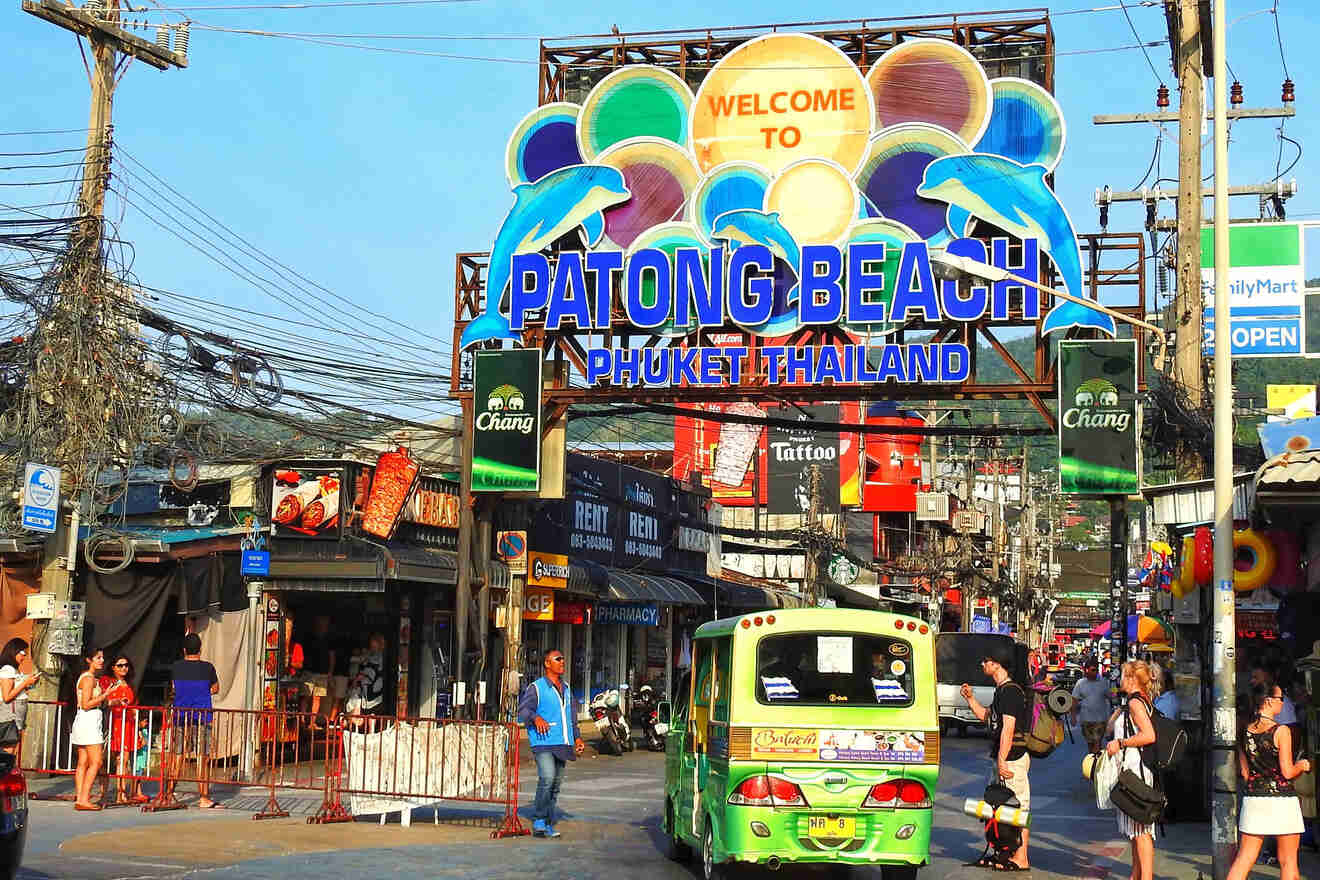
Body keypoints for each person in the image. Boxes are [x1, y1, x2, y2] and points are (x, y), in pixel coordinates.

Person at [1225, 682, 1313, 880]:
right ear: (1268, 701)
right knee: (1288, 860)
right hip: (1282, 799)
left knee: (1244, 858)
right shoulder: (1281, 731)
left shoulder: (1244, 731)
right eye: (1281, 699)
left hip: (1254, 799)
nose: (1283, 703)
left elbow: (1245, 773)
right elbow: (1288, 772)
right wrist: (1303, 765)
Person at [961, 653, 1031, 870]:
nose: (982, 664)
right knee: (1002, 807)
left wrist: (1002, 760)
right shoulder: (1000, 690)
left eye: (985, 661)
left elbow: (1008, 729)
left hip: (1012, 757)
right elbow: (988, 718)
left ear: (997, 664)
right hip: (1002, 756)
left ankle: (1021, 857)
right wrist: (970, 699)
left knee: (1018, 807)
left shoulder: (1010, 692)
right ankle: (1006, 852)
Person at [516, 648, 584, 838]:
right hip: (543, 742)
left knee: (555, 784)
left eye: (563, 659)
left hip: (562, 742)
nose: (562, 662)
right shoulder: (536, 687)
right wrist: (536, 718)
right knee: (547, 778)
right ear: (547, 664)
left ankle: (547, 821)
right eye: (558, 659)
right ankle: (538, 819)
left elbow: (571, 717)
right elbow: (523, 711)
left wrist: (577, 737)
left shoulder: (567, 688)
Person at [1105, 661, 1160, 880]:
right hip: (1132, 768)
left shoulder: (1137, 704)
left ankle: (1145, 877)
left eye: (1123, 675)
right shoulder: (1133, 702)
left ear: (1131, 678)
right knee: (1136, 831)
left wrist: (1121, 743)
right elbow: (1109, 726)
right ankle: (1135, 874)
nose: (1119, 679)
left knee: (1141, 831)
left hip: (1136, 770)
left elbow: (1149, 735)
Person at [167, 633, 222, 809]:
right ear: (200, 649)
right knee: (202, 757)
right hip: (202, 715)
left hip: (181, 714)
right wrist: (203, 693)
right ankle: (204, 797)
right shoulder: (208, 667)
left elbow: (174, 687)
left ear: (184, 650)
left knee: (178, 755)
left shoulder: (176, 667)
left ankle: (169, 794)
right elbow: (215, 688)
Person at [71, 646, 119, 811]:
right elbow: (85, 704)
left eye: (102, 657)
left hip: (85, 720)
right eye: (98, 657)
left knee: (83, 762)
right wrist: (105, 695)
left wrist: (107, 699)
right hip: (89, 721)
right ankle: (83, 798)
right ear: (89, 660)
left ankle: (81, 796)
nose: (102, 660)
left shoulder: (88, 678)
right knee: (96, 762)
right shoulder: (89, 679)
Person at [100, 655, 149, 804]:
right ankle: (103, 793)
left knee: (124, 760)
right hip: (111, 723)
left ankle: (121, 794)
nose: (124, 668)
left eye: (126, 665)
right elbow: (101, 700)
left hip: (127, 725)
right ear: (113, 667)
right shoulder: (106, 682)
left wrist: (139, 730)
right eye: (120, 665)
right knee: (105, 761)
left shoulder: (131, 685)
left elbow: (134, 708)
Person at [0, 638, 39, 755]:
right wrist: (25, 683)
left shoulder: (14, 670)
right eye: (23, 653)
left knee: (11, 749)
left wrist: (29, 684)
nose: (24, 657)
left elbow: (18, 691)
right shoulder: (8, 669)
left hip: (15, 716)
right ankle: (5, 773)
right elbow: (7, 697)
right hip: (10, 716)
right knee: (8, 750)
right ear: (14, 651)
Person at [1072, 659, 1111, 754]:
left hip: (1100, 720)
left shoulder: (1103, 682)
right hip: (1086, 719)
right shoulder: (1080, 683)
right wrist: (1073, 717)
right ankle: (1092, 764)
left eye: (1096, 670)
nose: (1094, 672)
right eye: (1092, 670)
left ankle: (1095, 765)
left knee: (1097, 743)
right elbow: (1074, 700)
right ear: (1086, 670)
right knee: (1090, 744)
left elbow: (1110, 695)